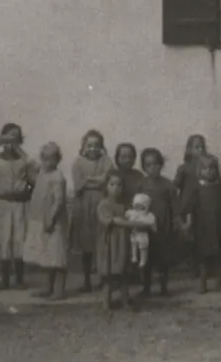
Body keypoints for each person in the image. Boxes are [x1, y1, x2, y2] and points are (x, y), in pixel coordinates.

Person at [0, 122, 34, 291]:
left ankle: (19, 279)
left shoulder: (24, 160)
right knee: (4, 239)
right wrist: (2, 193)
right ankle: (4, 279)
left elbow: (33, 178)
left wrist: (24, 192)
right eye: (9, 138)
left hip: (20, 204)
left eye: (16, 138)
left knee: (20, 239)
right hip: (3, 204)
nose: (12, 143)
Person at [182, 154, 221, 294]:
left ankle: (218, 284)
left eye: (212, 168)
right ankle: (203, 284)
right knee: (204, 258)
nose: (209, 171)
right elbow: (189, 207)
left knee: (219, 258)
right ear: (199, 170)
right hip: (203, 228)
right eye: (205, 168)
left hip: (220, 226)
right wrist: (188, 222)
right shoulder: (196, 188)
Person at [24, 142, 69, 301]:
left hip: (53, 220)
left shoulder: (58, 177)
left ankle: (59, 290)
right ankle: (47, 287)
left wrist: (51, 218)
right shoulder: (42, 173)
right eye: (45, 159)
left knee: (57, 256)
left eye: (52, 159)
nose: (48, 162)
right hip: (40, 219)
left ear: (58, 160)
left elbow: (59, 200)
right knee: (46, 255)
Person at [70, 130, 113, 293]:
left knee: (102, 242)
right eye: (90, 145)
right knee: (85, 243)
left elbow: (107, 181)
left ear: (101, 146)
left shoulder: (106, 160)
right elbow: (78, 185)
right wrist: (97, 180)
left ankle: (103, 278)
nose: (93, 148)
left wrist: (88, 180)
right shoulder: (78, 162)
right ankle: (87, 280)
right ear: (84, 146)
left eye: (97, 145)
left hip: (101, 204)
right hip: (83, 206)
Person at [137, 148, 178, 297]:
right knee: (146, 258)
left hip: (163, 226)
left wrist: (175, 222)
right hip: (146, 226)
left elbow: (175, 205)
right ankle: (146, 287)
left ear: (161, 165)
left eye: (155, 164)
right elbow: (136, 204)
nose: (152, 168)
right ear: (143, 167)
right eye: (148, 165)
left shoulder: (168, 184)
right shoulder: (141, 184)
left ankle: (163, 287)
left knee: (163, 259)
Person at [96, 171, 137, 309]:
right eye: (112, 184)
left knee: (123, 274)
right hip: (110, 244)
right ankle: (106, 302)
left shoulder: (124, 205)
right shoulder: (103, 204)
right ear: (106, 186)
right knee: (109, 275)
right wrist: (131, 224)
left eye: (119, 185)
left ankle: (124, 300)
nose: (116, 187)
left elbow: (130, 216)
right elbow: (113, 220)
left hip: (123, 243)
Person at [125, 194, 157, 270]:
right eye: (136, 205)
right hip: (134, 233)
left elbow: (152, 222)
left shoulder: (148, 215)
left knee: (143, 247)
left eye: (141, 206)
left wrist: (153, 228)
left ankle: (143, 260)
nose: (138, 208)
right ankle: (134, 257)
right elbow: (126, 216)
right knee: (133, 244)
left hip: (143, 234)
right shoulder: (132, 213)